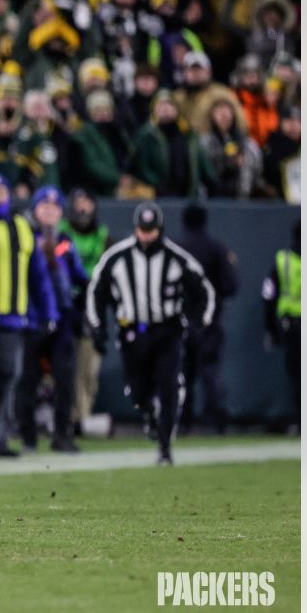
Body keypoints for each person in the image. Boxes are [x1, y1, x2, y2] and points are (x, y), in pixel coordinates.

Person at [86, 202, 215, 465]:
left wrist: (197, 323)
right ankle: (148, 414)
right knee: (137, 390)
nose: (147, 235)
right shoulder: (117, 257)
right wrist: (97, 327)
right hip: (132, 331)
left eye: (152, 230)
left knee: (168, 385)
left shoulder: (176, 258)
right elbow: (96, 291)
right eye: (143, 230)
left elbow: (203, 290)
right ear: (135, 229)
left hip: (167, 330)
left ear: (160, 229)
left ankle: (165, 447)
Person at [0, 174, 57, 458]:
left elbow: (38, 274)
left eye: (2, 190)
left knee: (7, 380)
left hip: (10, 322)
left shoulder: (21, 226)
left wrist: (48, 311)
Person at [17, 187, 87, 453]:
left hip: (63, 320)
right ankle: (28, 437)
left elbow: (79, 277)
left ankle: (62, 435)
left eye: (54, 206)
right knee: (27, 381)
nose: (49, 210)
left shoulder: (66, 241)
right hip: (32, 318)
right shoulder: (24, 237)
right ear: (34, 209)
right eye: (43, 205)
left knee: (65, 381)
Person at [176, 204, 239, 434]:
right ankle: (216, 421)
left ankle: (182, 422)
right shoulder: (217, 249)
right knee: (210, 371)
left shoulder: (175, 250)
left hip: (180, 321)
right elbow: (231, 285)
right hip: (210, 321)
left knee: (183, 373)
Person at [59, 189, 113, 435]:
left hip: (91, 309)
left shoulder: (103, 237)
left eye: (87, 203)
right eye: (79, 203)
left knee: (88, 370)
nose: (83, 209)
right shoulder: (61, 234)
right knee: (62, 370)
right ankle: (64, 419)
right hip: (63, 308)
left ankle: (82, 418)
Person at [262, 221, 301, 435]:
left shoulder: (283, 259)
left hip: (292, 325)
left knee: (297, 377)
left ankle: (301, 420)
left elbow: (268, 295)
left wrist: (271, 329)